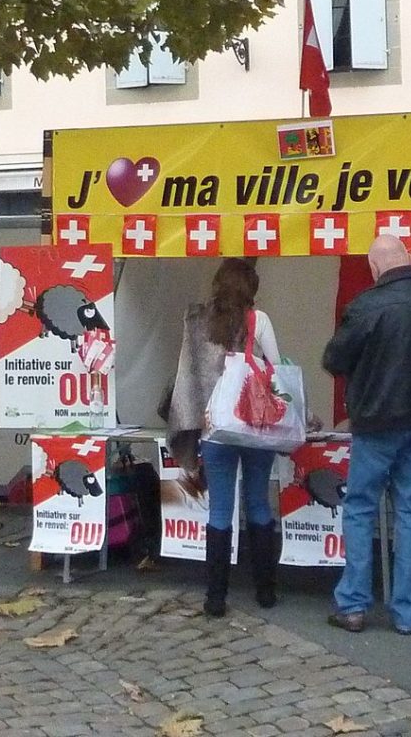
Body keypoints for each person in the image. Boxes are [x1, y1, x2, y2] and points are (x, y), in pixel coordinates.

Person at [322, 234, 411, 634]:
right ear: (408, 258)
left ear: (374, 267)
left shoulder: (365, 305)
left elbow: (333, 359)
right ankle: (406, 613)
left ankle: (353, 605)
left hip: (375, 423)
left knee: (361, 509)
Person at [166, 258, 282, 617]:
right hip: (255, 428)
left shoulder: (197, 321)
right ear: (252, 288)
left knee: (219, 511)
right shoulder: (257, 320)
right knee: (259, 505)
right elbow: (277, 371)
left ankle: (215, 597)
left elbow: (187, 377)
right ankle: (265, 590)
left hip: (215, 429)